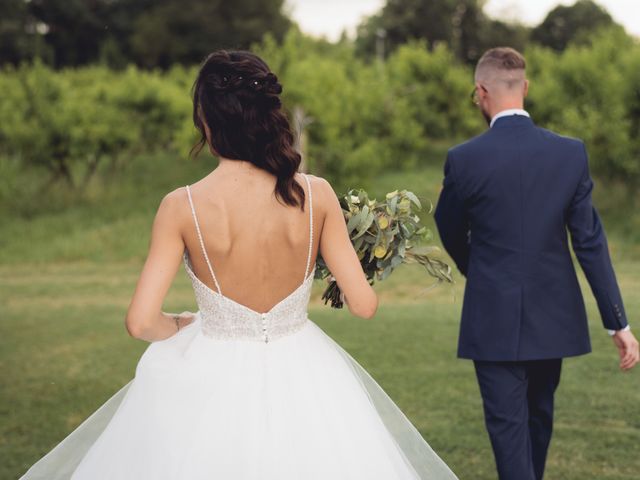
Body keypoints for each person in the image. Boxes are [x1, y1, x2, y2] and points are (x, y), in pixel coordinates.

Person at [19, 50, 458, 480]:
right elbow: (364, 305)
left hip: (211, 375)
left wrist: (178, 325)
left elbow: (140, 322)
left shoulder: (180, 206)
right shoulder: (317, 195)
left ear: (208, 121)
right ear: (268, 116)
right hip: (305, 373)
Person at [434, 47, 639, 480]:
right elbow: (590, 243)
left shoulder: (464, 158)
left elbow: (448, 227)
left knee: (510, 431)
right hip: (554, 315)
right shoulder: (570, 153)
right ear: (524, 88)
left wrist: (479, 268)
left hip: (491, 314)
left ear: (481, 92)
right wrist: (618, 324)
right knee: (538, 421)